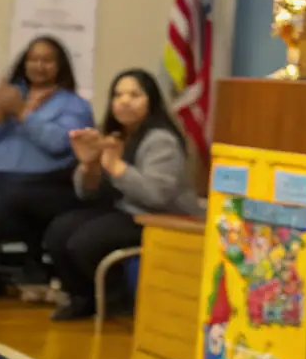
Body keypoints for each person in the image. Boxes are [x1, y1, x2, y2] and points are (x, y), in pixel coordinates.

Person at [46, 68, 199, 321]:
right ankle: (84, 299)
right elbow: (86, 194)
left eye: (134, 95)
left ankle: (118, 303)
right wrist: (89, 166)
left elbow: (155, 196)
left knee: (84, 242)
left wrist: (116, 166)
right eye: (118, 95)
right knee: (58, 231)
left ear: (151, 101)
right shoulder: (111, 134)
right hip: (127, 212)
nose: (124, 101)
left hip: (162, 219)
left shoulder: (161, 140)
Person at [0, 37, 95, 289]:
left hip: (44, 183)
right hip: (2, 175)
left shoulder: (74, 104)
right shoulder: (9, 93)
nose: (39, 65)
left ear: (60, 65)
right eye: (33, 59)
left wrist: (22, 113)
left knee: (10, 197)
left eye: (47, 60)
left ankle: (33, 266)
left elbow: (60, 143)